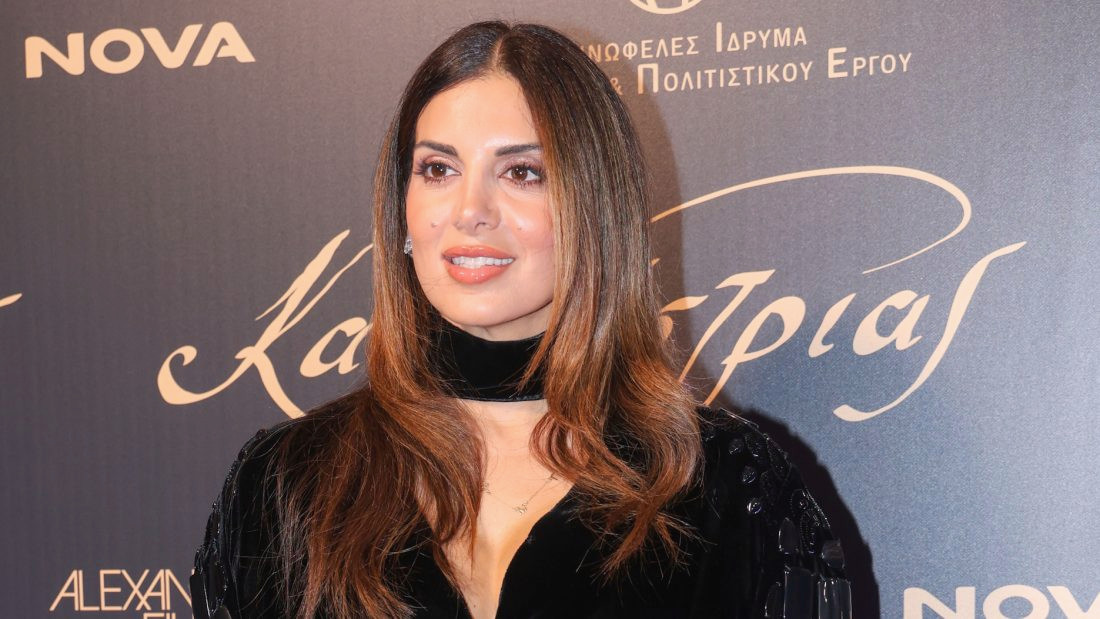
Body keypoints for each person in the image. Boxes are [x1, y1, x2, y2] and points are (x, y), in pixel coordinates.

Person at [189, 20, 851, 619]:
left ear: (593, 208)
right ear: (402, 211)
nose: (469, 211)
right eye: (438, 169)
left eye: (523, 173)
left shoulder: (726, 488)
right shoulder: (285, 485)